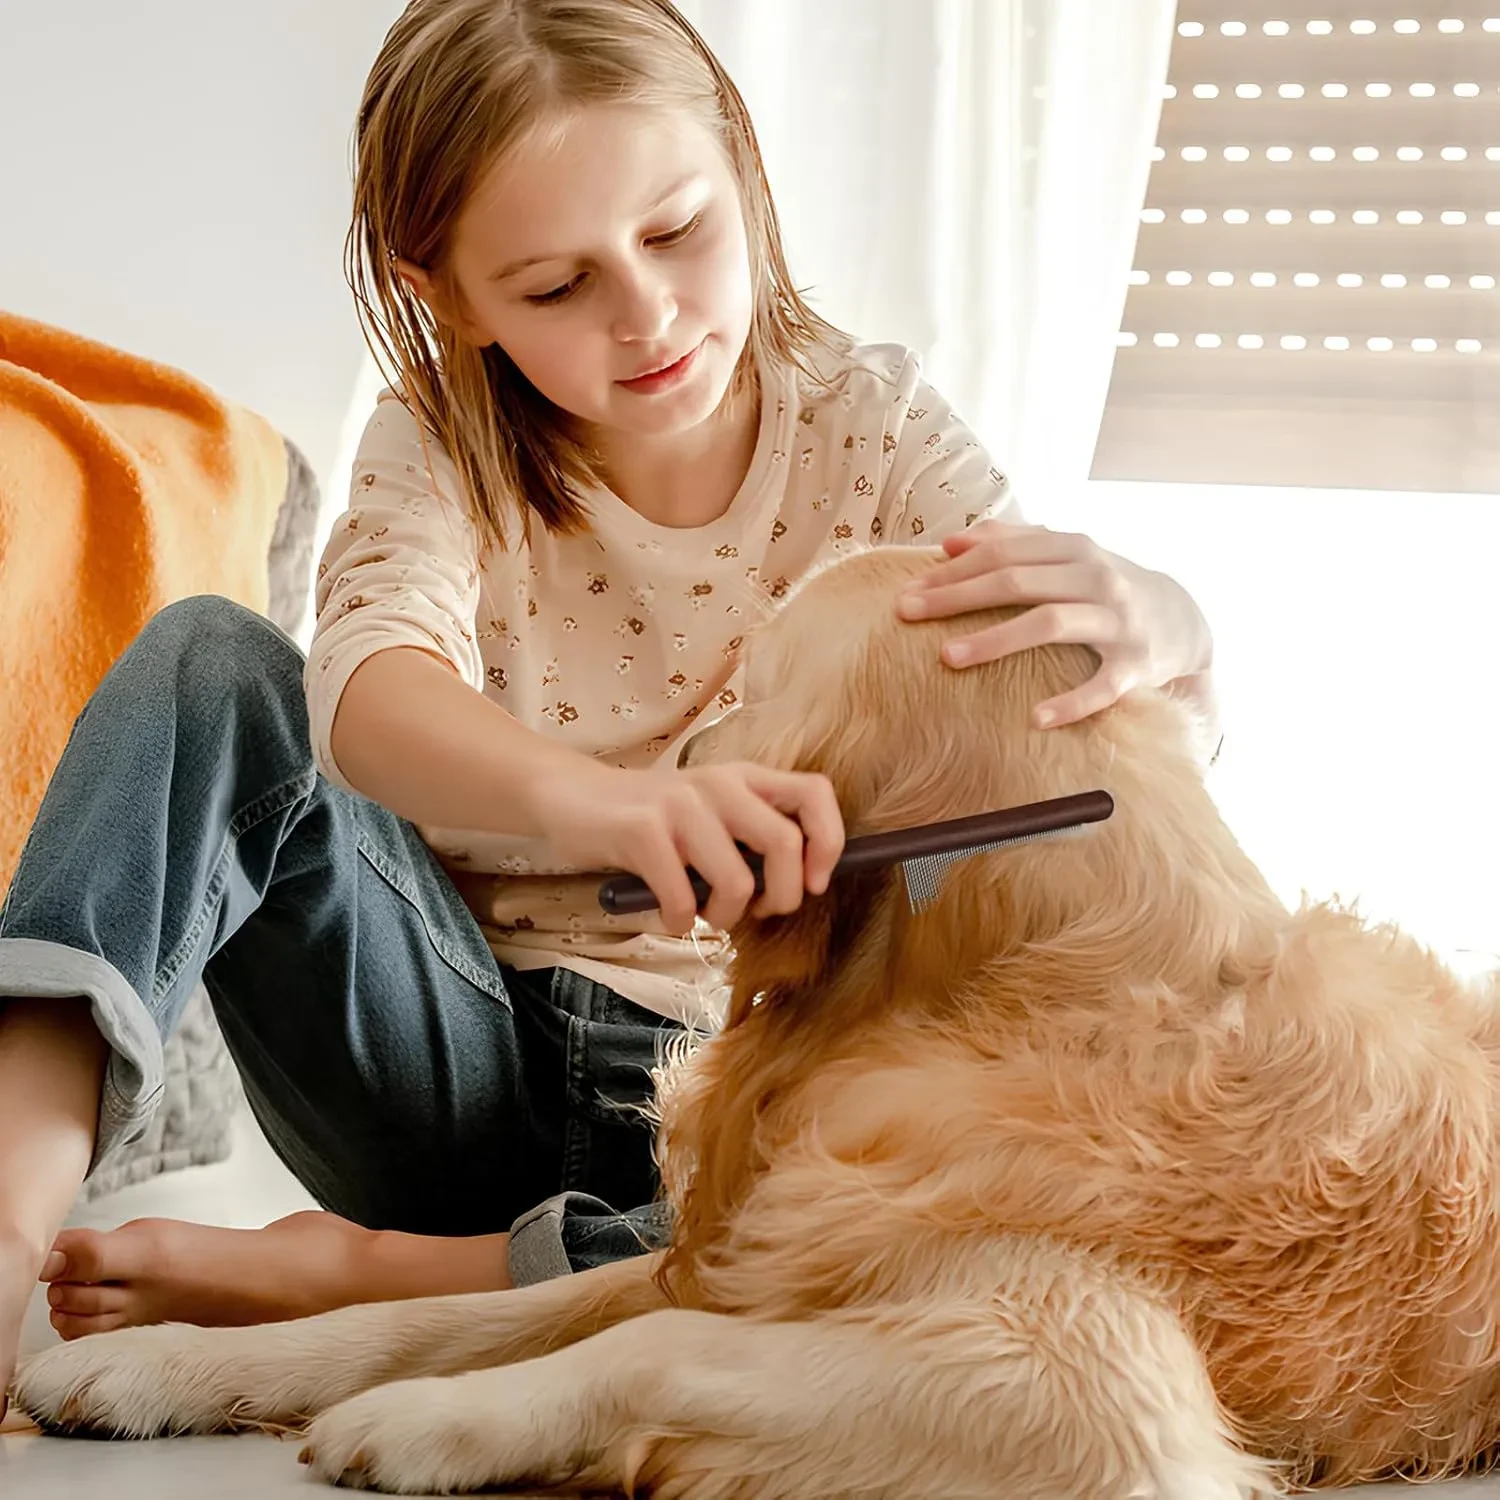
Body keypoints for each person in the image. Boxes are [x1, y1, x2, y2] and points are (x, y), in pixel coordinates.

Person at [0, 0, 1217, 1417]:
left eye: (677, 232)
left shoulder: (874, 427)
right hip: (457, 1065)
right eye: (553, 288)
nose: (645, 316)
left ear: (742, 169)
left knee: (909, 1215)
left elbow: (1067, 724)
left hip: (739, 1103)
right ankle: (11, 1219)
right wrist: (608, 804)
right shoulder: (441, 438)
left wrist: (1175, 627)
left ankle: (364, 1279)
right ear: (449, 295)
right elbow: (366, 690)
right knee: (210, 660)